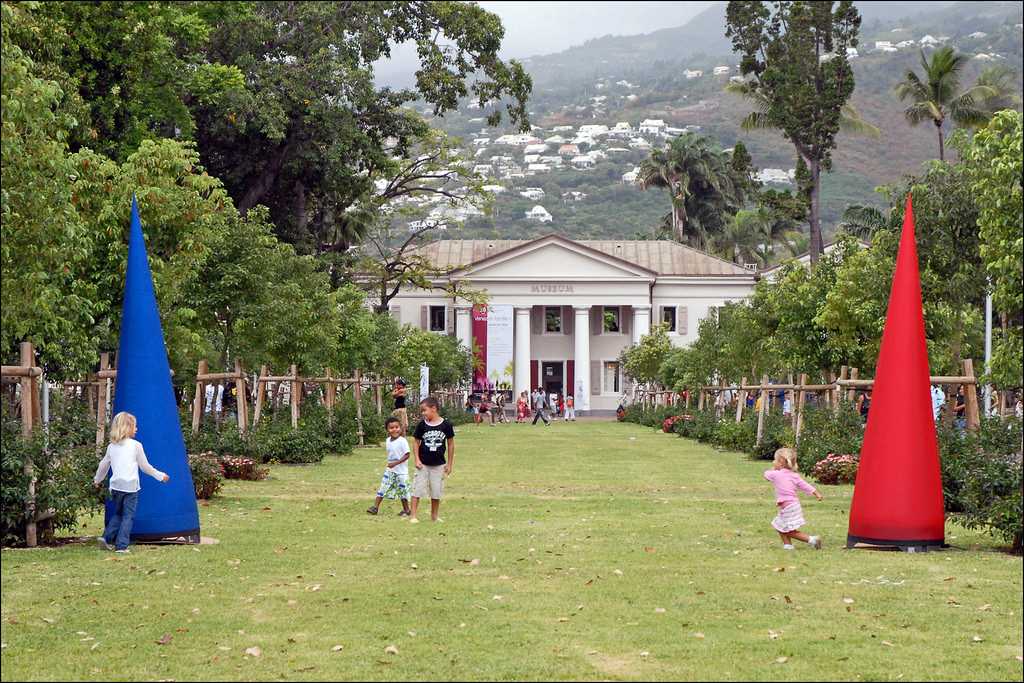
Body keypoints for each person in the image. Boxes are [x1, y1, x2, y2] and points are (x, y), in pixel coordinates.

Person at [92, 412, 170, 553]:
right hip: (130, 488)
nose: (136, 429)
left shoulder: (112, 446)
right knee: (128, 516)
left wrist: (97, 480)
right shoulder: (136, 446)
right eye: (134, 426)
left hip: (116, 487)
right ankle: (121, 546)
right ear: (127, 427)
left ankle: (106, 538)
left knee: (119, 513)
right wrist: (160, 476)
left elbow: (103, 465)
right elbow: (145, 467)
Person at [763, 448, 823, 551]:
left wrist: (774, 468)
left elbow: (766, 474)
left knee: (788, 530)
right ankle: (788, 545)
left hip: (788, 507)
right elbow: (805, 485)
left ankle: (812, 540)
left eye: (775, 460)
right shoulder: (794, 476)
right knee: (779, 525)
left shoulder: (776, 474)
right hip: (793, 506)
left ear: (781, 462)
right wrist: (816, 493)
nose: (773, 462)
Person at [410, 397, 455, 524]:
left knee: (436, 492)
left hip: (439, 465)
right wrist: (417, 459)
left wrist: (449, 464)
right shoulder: (422, 425)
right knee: (417, 489)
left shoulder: (446, 425)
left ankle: (434, 516)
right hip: (423, 464)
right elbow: (416, 442)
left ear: (433, 408)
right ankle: (413, 515)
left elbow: (451, 444)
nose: (423, 413)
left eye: (424, 410)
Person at [367, 417, 412, 517]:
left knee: (402, 491)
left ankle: (407, 510)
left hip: (401, 472)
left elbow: (407, 455)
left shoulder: (402, 441)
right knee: (383, 487)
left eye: (396, 427)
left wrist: (395, 463)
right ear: (387, 429)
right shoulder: (388, 441)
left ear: (400, 428)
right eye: (391, 428)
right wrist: (391, 464)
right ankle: (375, 507)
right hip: (390, 470)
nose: (394, 429)